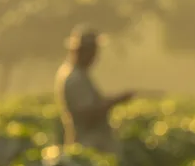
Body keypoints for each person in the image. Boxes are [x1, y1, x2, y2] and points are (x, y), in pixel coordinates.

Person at [55, 26, 135, 154]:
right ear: (82, 51)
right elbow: (87, 113)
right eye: (92, 51)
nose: (95, 56)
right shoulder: (75, 78)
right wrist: (115, 101)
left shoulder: (77, 74)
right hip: (88, 146)